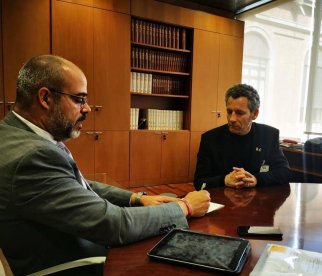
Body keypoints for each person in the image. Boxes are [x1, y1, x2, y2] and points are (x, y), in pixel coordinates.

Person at [0, 55, 210, 275]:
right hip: (75, 262)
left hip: (69, 239)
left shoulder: (14, 134)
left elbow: (72, 183)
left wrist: (137, 198)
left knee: (163, 205)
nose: (88, 108)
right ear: (45, 98)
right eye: (79, 99)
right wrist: (185, 207)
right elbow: (113, 226)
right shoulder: (33, 156)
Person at [194, 83, 290, 190]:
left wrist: (257, 179)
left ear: (255, 114)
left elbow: (284, 173)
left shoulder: (269, 135)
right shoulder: (210, 139)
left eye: (239, 113)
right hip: (221, 201)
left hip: (257, 201)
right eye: (229, 112)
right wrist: (224, 180)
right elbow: (199, 182)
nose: (232, 119)